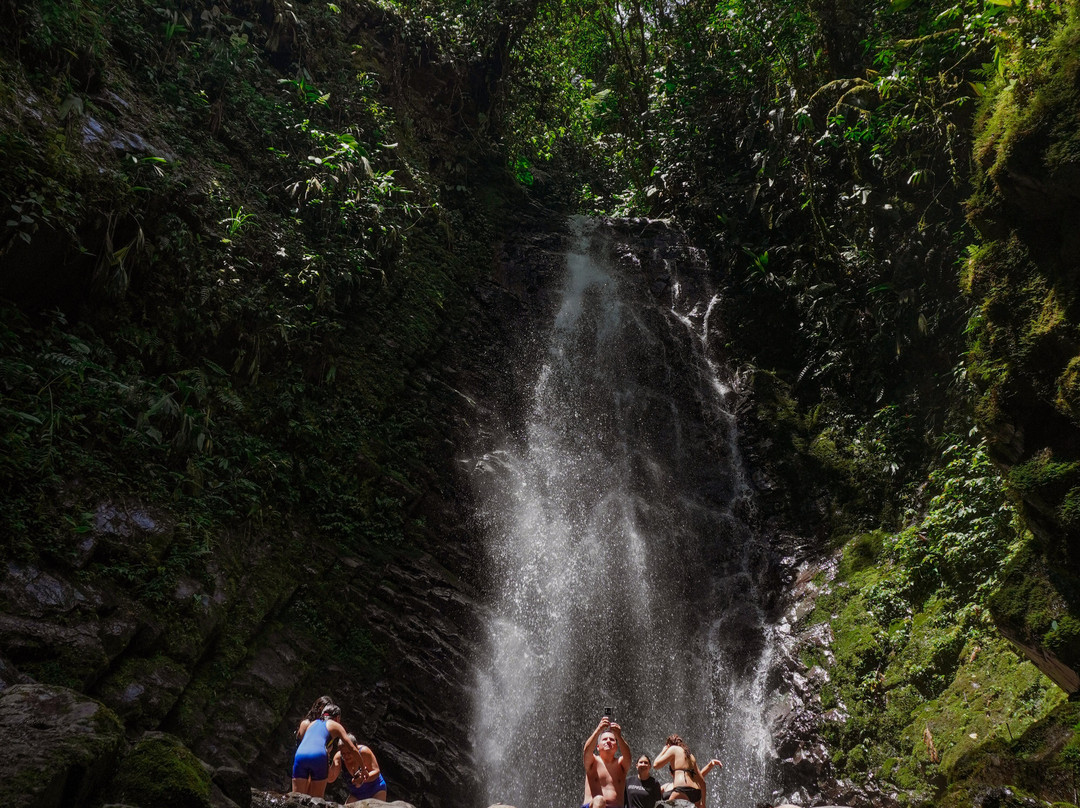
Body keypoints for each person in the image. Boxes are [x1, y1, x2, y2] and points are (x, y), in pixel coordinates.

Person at [291, 702, 365, 797]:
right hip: (318, 756)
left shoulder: (312, 723)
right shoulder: (335, 725)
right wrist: (363, 769)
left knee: (296, 799)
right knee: (315, 801)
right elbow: (352, 748)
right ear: (337, 718)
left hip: (300, 755)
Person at [583, 717, 631, 808]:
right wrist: (598, 730)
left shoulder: (620, 764)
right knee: (599, 800)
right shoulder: (592, 761)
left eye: (612, 739)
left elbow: (628, 756)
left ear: (616, 747)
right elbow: (587, 751)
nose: (608, 741)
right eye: (604, 739)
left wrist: (619, 736)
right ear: (597, 747)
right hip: (592, 805)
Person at [329, 732, 388, 803]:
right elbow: (331, 778)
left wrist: (363, 779)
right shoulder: (338, 758)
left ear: (355, 747)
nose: (346, 756)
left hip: (375, 789)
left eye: (349, 753)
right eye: (343, 753)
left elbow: (376, 771)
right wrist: (325, 764)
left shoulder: (364, 752)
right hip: (356, 794)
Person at [653, 735, 702, 806]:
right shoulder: (690, 756)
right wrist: (703, 803)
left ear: (669, 745)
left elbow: (655, 765)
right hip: (696, 792)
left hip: (682, 789)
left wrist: (664, 750)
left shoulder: (673, 749)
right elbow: (702, 781)